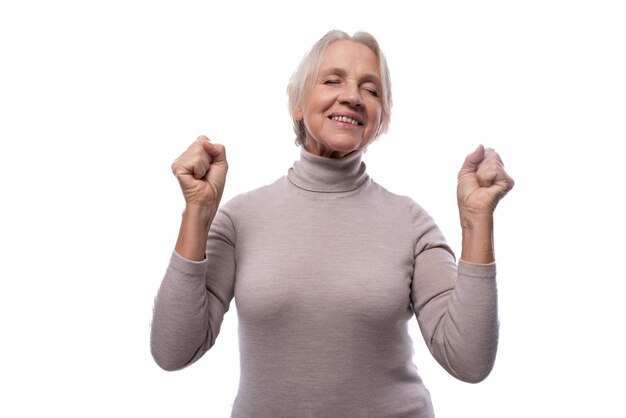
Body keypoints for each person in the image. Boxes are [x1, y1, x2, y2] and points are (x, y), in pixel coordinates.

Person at [150, 29, 514, 417]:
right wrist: (197, 213)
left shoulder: (410, 223)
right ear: (297, 102)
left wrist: (477, 221)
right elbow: (174, 352)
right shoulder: (241, 218)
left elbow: (469, 362)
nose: (353, 96)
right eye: (332, 80)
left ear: (381, 118)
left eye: (371, 90)